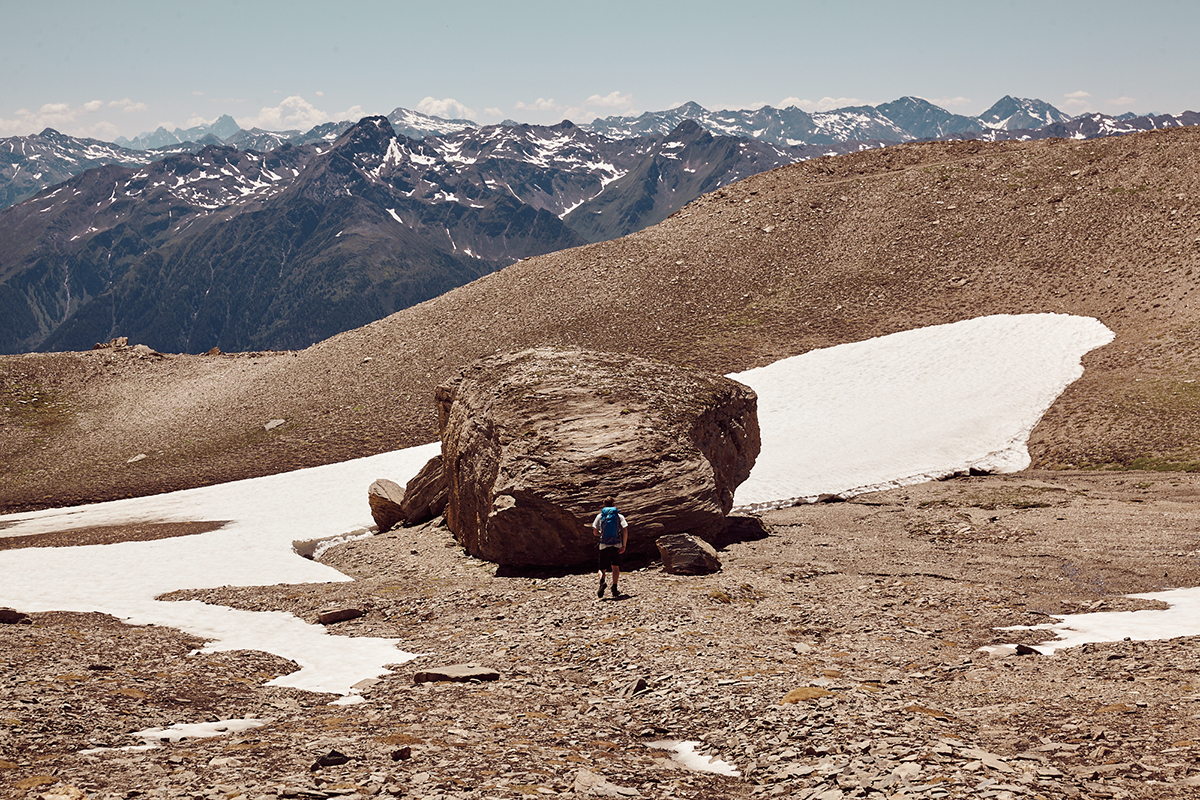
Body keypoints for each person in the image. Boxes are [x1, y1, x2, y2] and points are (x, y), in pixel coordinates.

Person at [592, 497, 628, 598]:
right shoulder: (619, 516)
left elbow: (595, 532)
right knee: (615, 567)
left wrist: (602, 534)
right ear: (614, 504)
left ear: (604, 505)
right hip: (617, 544)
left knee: (601, 568)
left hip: (604, 545)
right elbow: (625, 529)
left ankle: (602, 581)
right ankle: (614, 588)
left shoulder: (600, 516)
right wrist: (624, 545)